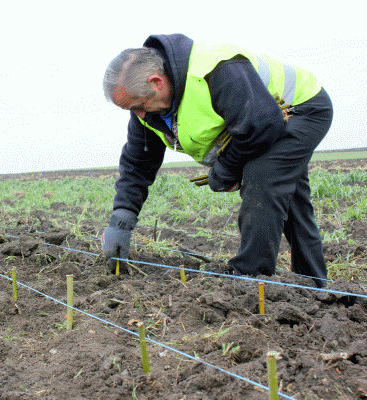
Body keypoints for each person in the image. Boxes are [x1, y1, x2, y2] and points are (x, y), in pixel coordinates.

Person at [101, 33, 333, 288]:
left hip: (300, 107)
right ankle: (313, 285)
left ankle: (249, 279)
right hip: (261, 122)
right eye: (131, 109)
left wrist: (225, 170)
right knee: (291, 198)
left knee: (263, 177)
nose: (139, 114)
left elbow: (261, 127)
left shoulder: (217, 71)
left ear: (156, 82)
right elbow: (138, 162)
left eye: (139, 105)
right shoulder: (146, 109)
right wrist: (122, 218)